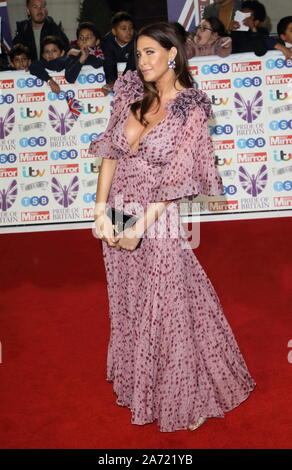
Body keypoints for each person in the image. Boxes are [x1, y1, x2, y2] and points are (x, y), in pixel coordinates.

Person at [89, 21, 256, 433]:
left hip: (157, 216)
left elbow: (179, 178)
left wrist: (140, 227)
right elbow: (110, 153)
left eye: (150, 52)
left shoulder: (192, 106)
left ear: (172, 54)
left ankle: (187, 394)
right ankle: (139, 384)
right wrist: (98, 211)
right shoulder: (128, 91)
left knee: (166, 304)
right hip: (118, 208)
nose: (142, 61)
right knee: (130, 301)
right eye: (139, 53)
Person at [101, 11, 135, 95]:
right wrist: (111, 82)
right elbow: (109, 64)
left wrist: (120, 83)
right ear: (114, 31)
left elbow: (132, 64)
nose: (128, 32)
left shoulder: (138, 41)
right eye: (124, 29)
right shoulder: (106, 42)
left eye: (131, 28)